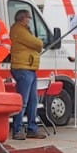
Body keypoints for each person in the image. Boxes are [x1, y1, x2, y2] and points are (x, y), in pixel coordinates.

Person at [8, 10, 46, 140]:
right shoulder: (19, 30)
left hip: (29, 67)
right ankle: (17, 129)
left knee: (32, 100)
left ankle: (32, 128)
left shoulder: (24, 29)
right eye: (28, 18)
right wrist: (39, 42)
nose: (29, 20)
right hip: (23, 68)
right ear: (22, 18)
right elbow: (37, 43)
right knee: (23, 101)